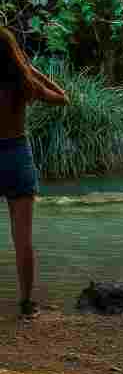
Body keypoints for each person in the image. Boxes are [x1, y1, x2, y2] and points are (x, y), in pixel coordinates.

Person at [0, 27, 68, 317]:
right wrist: (30, 69)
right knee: (23, 240)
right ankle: (27, 304)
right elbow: (62, 97)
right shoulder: (22, 84)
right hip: (16, 155)